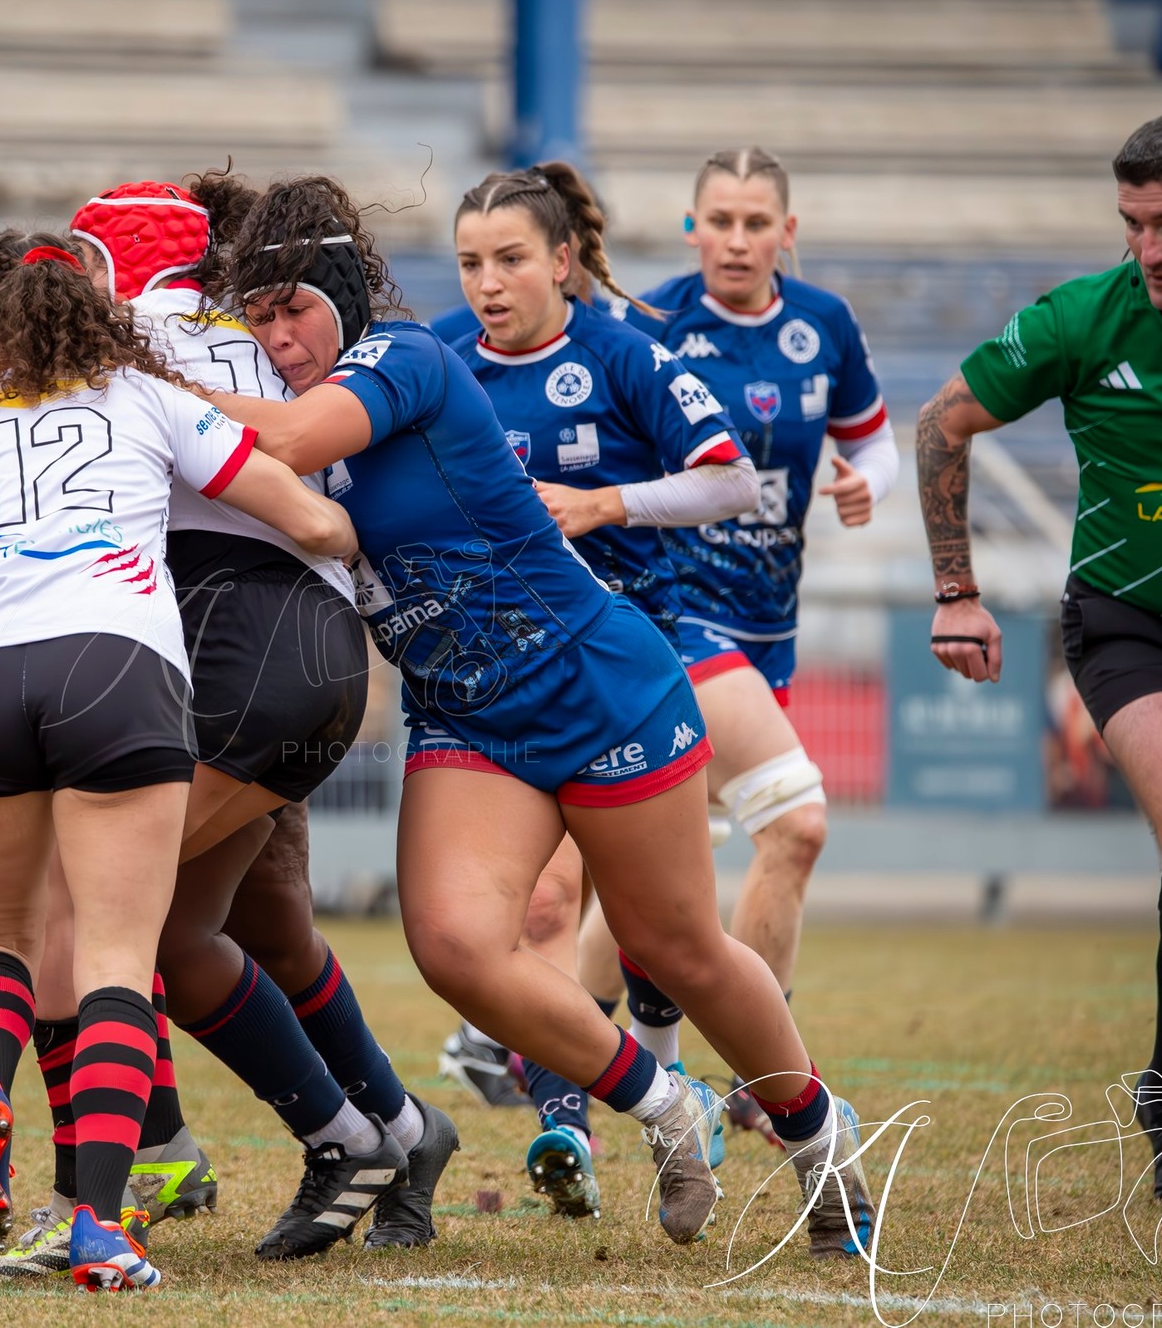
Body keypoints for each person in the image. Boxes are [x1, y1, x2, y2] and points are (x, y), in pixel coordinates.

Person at [204, 174, 875, 1257]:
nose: (277, 335)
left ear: (341, 295)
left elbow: (276, 439)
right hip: (466, 714)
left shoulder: (403, 358)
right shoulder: (322, 391)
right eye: (258, 316)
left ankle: (815, 1135)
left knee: (675, 947)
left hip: (591, 676)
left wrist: (129, 392)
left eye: (295, 310)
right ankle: (665, 1104)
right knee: (456, 946)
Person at [0, 230, 357, 1292]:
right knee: (118, 955)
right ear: (100, 315)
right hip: (115, 664)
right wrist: (347, 528)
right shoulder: (142, 395)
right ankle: (98, 1225)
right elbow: (309, 516)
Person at [31, 176, 452, 1266]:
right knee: (185, 931)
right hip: (288, 648)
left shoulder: (131, 335)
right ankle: (395, 1132)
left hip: (236, 642)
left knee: (86, 916)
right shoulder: (271, 335)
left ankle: (101, 1193)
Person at [917, 111, 1162, 1214]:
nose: (1147, 249)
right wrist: (956, 592)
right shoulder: (1083, 317)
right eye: (1130, 223)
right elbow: (940, 425)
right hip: (1129, 621)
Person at [444, 160, 758, 1216]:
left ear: (563, 260)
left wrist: (604, 503)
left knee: (660, 932)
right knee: (534, 907)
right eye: (470, 263)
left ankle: (787, 1117)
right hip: (494, 687)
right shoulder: (438, 361)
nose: (488, 283)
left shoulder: (624, 355)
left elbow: (730, 476)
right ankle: (564, 1126)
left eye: (510, 259)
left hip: (625, 675)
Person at [603, 146, 898, 1150]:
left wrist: (869, 484)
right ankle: (760, 1077)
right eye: (716, 220)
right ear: (690, 228)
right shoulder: (649, 325)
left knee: (655, 860)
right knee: (794, 822)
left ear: (785, 231)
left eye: (752, 222)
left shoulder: (823, 324)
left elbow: (873, 441)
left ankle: (529, 1046)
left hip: (768, 627)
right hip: (674, 616)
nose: (734, 239)